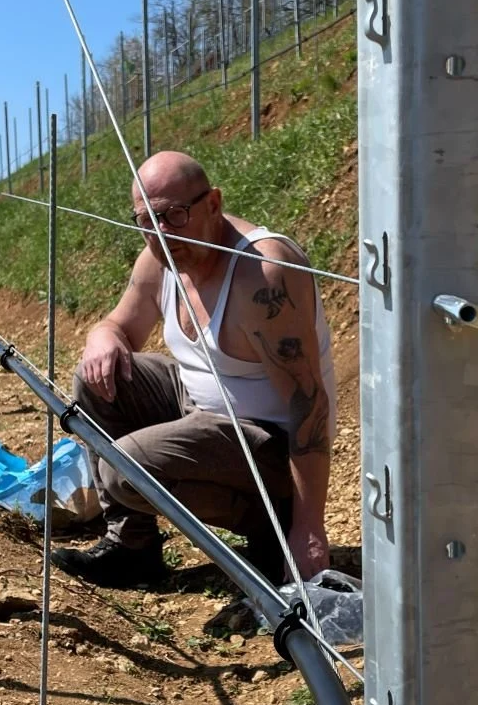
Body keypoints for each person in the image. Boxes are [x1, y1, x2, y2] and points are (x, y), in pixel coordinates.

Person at [53, 150, 336, 591]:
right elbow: (118, 325)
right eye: (146, 221)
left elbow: (309, 406)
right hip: (200, 412)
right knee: (94, 383)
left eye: (174, 215)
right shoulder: (162, 259)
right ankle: (132, 549)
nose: (161, 233)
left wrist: (309, 530)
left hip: (267, 446)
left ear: (214, 204)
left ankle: (273, 529)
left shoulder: (261, 275)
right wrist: (101, 335)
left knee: (125, 467)